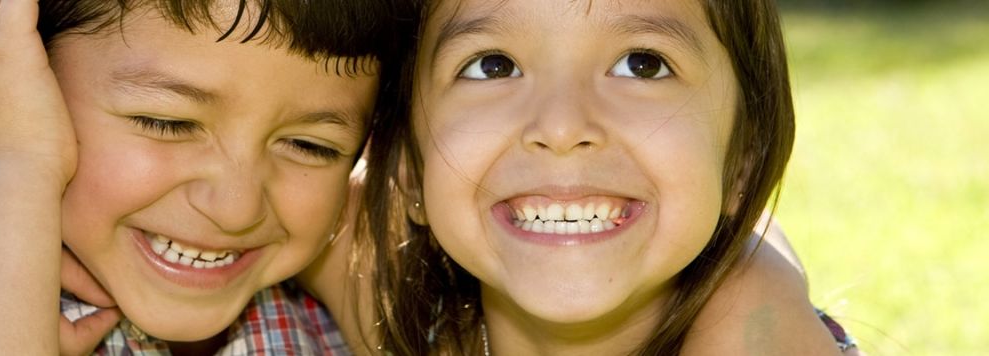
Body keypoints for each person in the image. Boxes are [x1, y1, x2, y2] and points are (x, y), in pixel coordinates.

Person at [0, 0, 412, 354]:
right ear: (15, 86)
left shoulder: (354, 281)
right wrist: (13, 172)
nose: (235, 207)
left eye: (310, 145)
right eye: (167, 122)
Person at [351, 0, 861, 354]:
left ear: (742, 162)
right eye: (492, 66)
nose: (562, 126)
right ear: (409, 170)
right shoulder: (383, 295)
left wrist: (757, 288)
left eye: (643, 65)